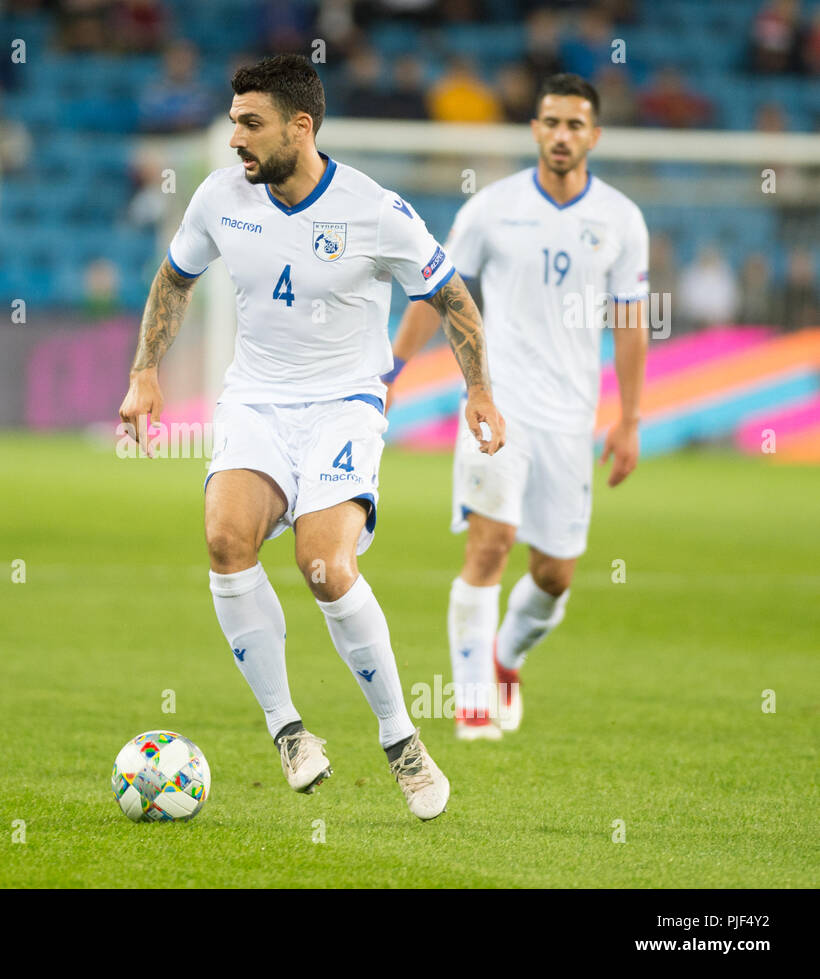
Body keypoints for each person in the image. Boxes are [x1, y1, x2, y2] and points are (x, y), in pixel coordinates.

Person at [118, 54, 506, 821]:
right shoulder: (220, 198)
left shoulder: (375, 210)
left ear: (301, 126)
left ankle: (400, 740)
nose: (236, 139)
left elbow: (452, 296)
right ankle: (288, 730)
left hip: (343, 406)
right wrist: (145, 373)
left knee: (324, 565)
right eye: (234, 122)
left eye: (251, 124)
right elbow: (174, 279)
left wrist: (480, 389)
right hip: (257, 402)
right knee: (226, 540)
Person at [388, 73, 649, 739]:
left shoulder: (620, 219)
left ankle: (507, 656)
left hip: (571, 416)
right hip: (495, 405)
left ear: (594, 134)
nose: (562, 135)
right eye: (551, 122)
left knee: (555, 573)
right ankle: (473, 705)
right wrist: (392, 368)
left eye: (575, 124)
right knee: (490, 544)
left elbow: (630, 322)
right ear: (535, 129)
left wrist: (628, 418)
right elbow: (437, 291)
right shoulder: (491, 208)